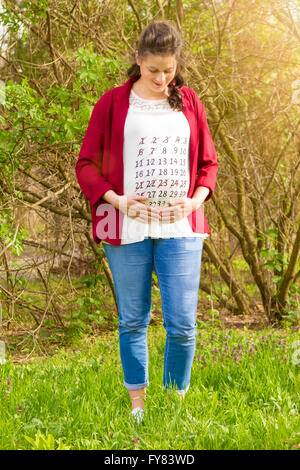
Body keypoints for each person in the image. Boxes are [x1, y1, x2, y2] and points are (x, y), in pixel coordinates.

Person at [75, 19, 218, 424]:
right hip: (125, 227)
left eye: (168, 70)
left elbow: (209, 164)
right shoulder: (112, 103)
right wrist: (117, 200)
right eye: (152, 69)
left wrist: (194, 202)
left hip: (182, 228)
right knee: (133, 319)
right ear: (138, 59)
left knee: (183, 323)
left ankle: (175, 403)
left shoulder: (190, 102)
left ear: (176, 64)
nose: (160, 78)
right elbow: (86, 163)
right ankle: (138, 403)